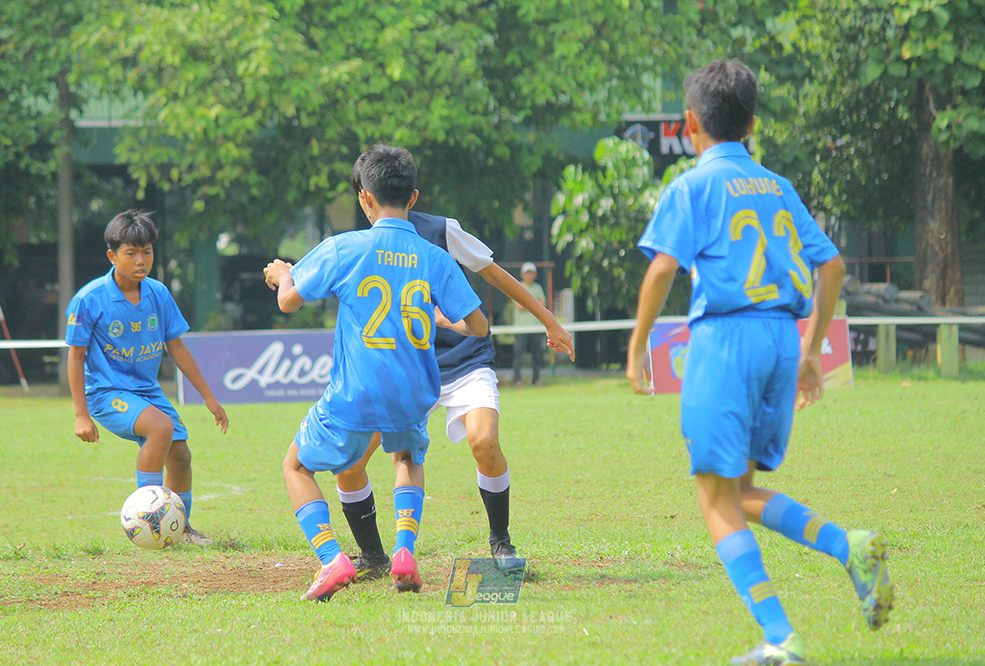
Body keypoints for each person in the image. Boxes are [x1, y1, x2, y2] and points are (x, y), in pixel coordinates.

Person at [625, 60, 894, 665]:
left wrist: (639, 343)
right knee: (736, 488)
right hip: (780, 338)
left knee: (713, 497)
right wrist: (809, 351)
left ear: (688, 122)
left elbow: (664, 266)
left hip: (724, 340)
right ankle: (846, 553)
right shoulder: (778, 186)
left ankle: (786, 633)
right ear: (752, 124)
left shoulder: (692, 185)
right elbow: (832, 267)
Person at [333, 155, 576, 581]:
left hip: (462, 360)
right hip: (404, 370)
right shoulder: (359, 246)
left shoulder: (441, 231)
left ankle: (500, 541)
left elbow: (496, 274)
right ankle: (373, 556)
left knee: (484, 441)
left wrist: (548, 319)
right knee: (352, 462)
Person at [264, 144, 488, 602]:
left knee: (296, 465)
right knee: (406, 460)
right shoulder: (435, 256)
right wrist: (446, 320)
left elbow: (289, 301)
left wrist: (283, 272)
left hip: (358, 391)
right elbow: (479, 326)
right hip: (415, 389)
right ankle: (404, 553)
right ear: (413, 197)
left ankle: (331, 559)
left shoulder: (345, 247)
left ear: (365, 198)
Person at [66, 210, 229, 546]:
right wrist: (81, 414)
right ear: (112, 256)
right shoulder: (88, 299)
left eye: (147, 252)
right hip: (106, 392)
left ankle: (180, 529)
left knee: (181, 455)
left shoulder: (158, 293)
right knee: (160, 427)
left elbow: (177, 346)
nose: (141, 261)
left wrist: (208, 397)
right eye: (131, 253)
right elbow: (76, 355)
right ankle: (147, 523)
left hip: (147, 391)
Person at [512, 262, 547, 387]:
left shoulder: (538, 288)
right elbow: (519, 306)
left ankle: (536, 379)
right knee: (518, 356)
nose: (529, 275)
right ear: (522, 274)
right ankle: (517, 380)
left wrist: (528, 305)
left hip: (535, 328)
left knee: (537, 356)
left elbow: (543, 304)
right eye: (527, 273)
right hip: (521, 328)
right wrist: (535, 305)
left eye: (531, 273)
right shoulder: (517, 286)